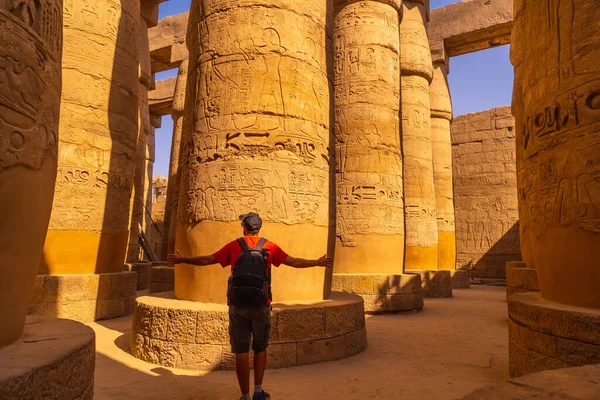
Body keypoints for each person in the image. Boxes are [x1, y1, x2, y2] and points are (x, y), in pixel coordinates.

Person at [167, 212, 333, 400]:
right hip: (261, 303)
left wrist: (183, 259)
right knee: (260, 348)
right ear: (258, 228)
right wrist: (317, 263)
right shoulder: (269, 247)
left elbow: (208, 260)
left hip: (237, 305)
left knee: (241, 351)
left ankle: (245, 395)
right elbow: (293, 262)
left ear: (244, 228)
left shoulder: (234, 246)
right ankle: (259, 391)